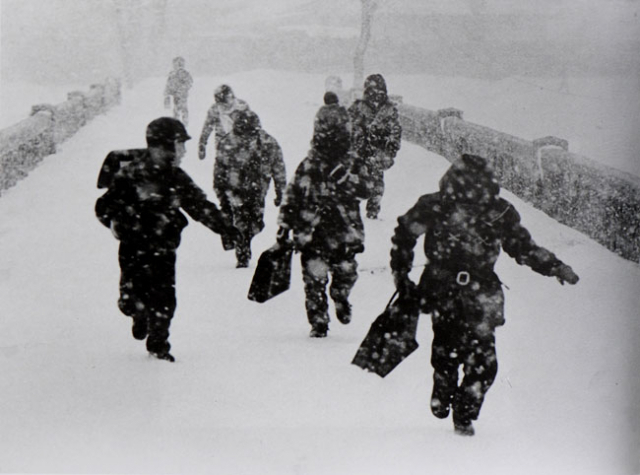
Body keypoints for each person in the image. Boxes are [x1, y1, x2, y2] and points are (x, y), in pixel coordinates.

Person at [389, 153, 579, 435]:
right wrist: (401, 273)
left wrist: (555, 266)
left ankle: (463, 411)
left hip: (481, 294)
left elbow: (522, 247)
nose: (470, 192)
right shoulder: (436, 205)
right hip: (443, 289)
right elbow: (405, 233)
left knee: (483, 362)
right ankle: (443, 387)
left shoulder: (499, 212)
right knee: (448, 350)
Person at [95, 117, 239, 362]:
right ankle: (138, 315)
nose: (183, 151)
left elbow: (199, 205)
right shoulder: (130, 175)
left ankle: (158, 343)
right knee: (131, 298)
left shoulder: (176, 177)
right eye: (179, 144)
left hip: (164, 249)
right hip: (133, 249)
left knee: (164, 299)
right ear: (163, 146)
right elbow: (103, 207)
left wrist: (226, 228)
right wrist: (122, 222)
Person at [276, 102, 372, 337]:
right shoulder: (310, 164)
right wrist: (284, 225)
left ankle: (340, 295)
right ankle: (318, 322)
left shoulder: (353, 163)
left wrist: (346, 179)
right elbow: (293, 195)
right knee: (314, 279)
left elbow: (368, 189)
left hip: (340, 229)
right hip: (316, 230)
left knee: (342, 273)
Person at [214, 108, 287, 268]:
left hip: (257, 190)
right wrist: (220, 191)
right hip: (235, 190)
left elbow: (278, 166)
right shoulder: (228, 142)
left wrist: (280, 190)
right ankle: (242, 250)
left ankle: (244, 238)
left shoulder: (267, 142)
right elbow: (220, 169)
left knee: (256, 222)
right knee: (239, 219)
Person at [348, 73, 402, 219]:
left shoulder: (389, 110)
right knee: (356, 181)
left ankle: (372, 210)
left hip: (378, 152)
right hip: (359, 153)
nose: (376, 95)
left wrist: (390, 150)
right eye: (373, 91)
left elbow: (395, 132)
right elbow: (348, 128)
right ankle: (354, 209)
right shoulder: (358, 108)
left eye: (379, 91)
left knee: (376, 183)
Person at [198, 84, 249, 160]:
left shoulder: (242, 107)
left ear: (231, 96)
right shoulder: (215, 110)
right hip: (222, 143)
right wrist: (202, 143)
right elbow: (207, 127)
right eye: (222, 104)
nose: (225, 106)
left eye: (226, 102)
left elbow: (252, 125)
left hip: (241, 143)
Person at [163, 56, 194, 126]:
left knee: (183, 108)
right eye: (176, 64)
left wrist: (182, 89)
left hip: (182, 95)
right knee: (176, 109)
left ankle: (184, 123)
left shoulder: (185, 73)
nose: (178, 65)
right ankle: (176, 123)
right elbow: (168, 84)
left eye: (180, 63)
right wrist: (166, 95)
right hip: (176, 95)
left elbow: (189, 83)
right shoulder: (172, 74)